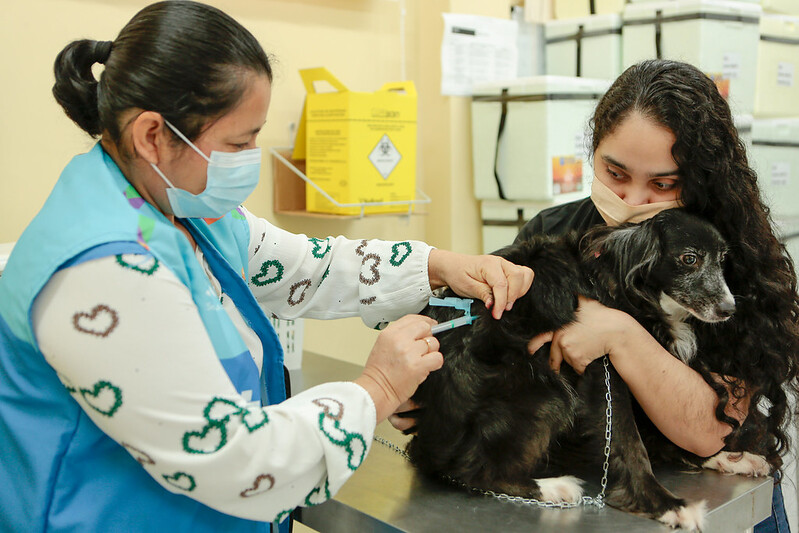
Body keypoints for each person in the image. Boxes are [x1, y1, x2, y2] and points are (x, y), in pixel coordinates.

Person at [0, 2, 534, 532]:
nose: (251, 156)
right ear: (152, 135)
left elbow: (306, 268)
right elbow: (237, 459)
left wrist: (438, 265)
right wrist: (376, 388)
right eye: (238, 142)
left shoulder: (185, 208)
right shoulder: (104, 272)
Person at [515, 59, 799, 532]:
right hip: (598, 495)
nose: (633, 201)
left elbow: (710, 430)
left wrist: (619, 333)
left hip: (712, 499)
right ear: (595, 151)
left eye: (663, 184)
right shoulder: (551, 235)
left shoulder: (727, 252)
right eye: (615, 173)